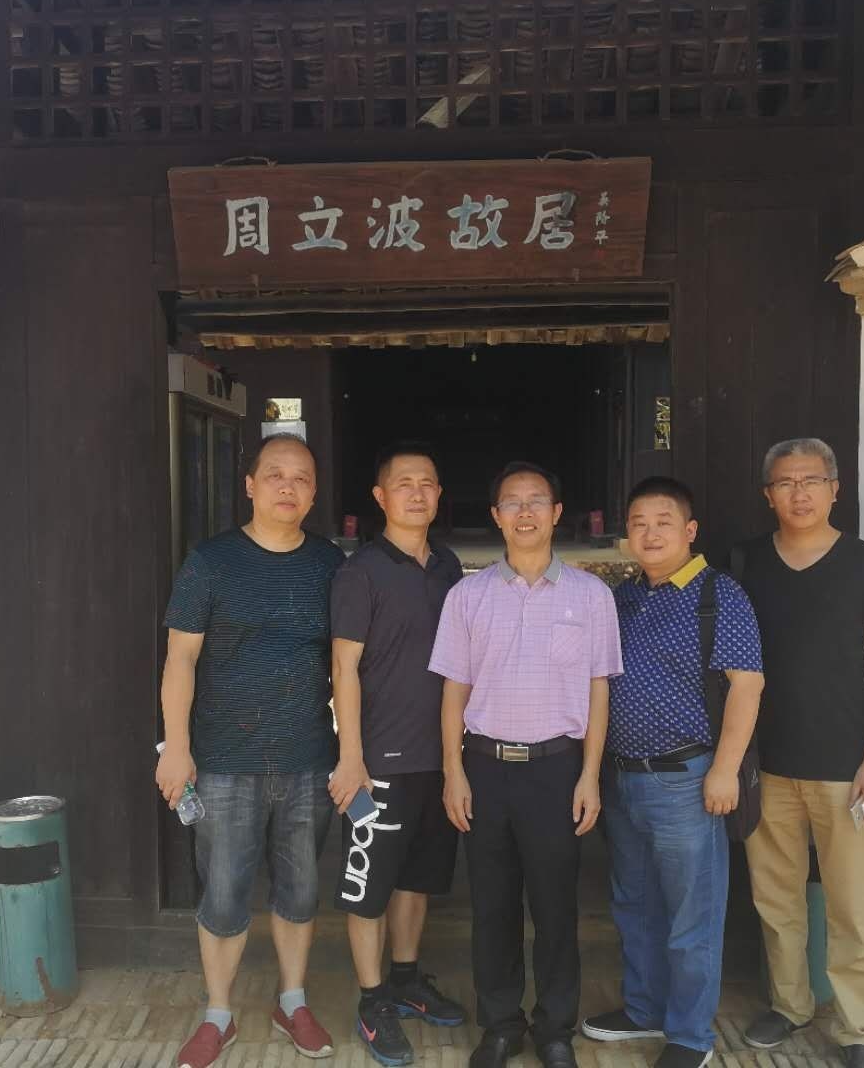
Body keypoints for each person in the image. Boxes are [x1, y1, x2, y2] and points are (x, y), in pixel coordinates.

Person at [156, 433, 345, 1068]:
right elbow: (180, 659)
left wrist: (353, 751)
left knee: (300, 890)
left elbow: (346, 665)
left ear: (313, 493)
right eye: (275, 475)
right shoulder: (210, 562)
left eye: (302, 478)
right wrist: (176, 748)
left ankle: (293, 1000)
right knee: (224, 893)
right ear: (250, 486)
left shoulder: (329, 565)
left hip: (308, 759)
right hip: (223, 763)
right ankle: (218, 1013)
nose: (288, 487)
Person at [429, 461, 622, 1068]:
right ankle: (500, 1024)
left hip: (557, 768)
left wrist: (590, 775)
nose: (525, 511)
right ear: (496, 516)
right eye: (512, 502)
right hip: (485, 767)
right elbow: (453, 692)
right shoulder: (467, 596)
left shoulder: (591, 596)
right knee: (492, 906)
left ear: (557, 513)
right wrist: (453, 771)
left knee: (556, 906)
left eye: (537, 500)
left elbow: (598, 691)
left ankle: (555, 1027)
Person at [580, 477, 764, 1068]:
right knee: (634, 906)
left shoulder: (719, 595)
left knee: (692, 916)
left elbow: (747, 685)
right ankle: (644, 1009)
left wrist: (725, 770)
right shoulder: (623, 597)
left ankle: (690, 1036)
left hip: (688, 779)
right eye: (638, 523)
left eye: (663, 522)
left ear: (690, 530)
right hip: (622, 778)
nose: (650, 533)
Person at [737, 438, 864, 1068]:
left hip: (844, 765)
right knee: (775, 898)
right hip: (766, 762)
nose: (799, 493)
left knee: (851, 906)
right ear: (768, 495)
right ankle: (790, 1006)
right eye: (785, 482)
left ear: (835, 489)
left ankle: (860, 1031)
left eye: (811, 480)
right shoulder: (747, 562)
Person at [329, 441, 468, 1067]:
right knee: (370, 887)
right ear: (380, 497)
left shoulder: (447, 565)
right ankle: (372, 1000)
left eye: (428, 483)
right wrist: (350, 757)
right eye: (404, 483)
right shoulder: (360, 572)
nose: (417, 492)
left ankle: (407, 980)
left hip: (439, 757)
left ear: (439, 496)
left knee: (418, 880)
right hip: (377, 759)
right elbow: (343, 668)